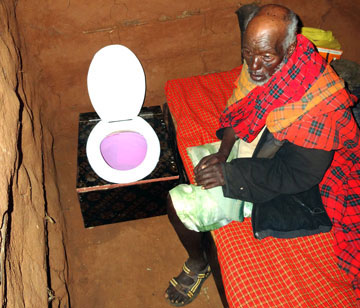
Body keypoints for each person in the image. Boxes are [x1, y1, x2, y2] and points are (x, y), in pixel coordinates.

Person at [165, 4, 360, 307]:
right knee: (197, 167)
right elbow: (239, 106)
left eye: (265, 57)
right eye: (247, 54)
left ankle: (198, 262)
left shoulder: (321, 106)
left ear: (290, 47)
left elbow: (298, 176)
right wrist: (223, 152)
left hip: (283, 181)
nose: (254, 66)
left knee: (177, 204)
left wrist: (229, 174)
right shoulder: (265, 57)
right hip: (257, 151)